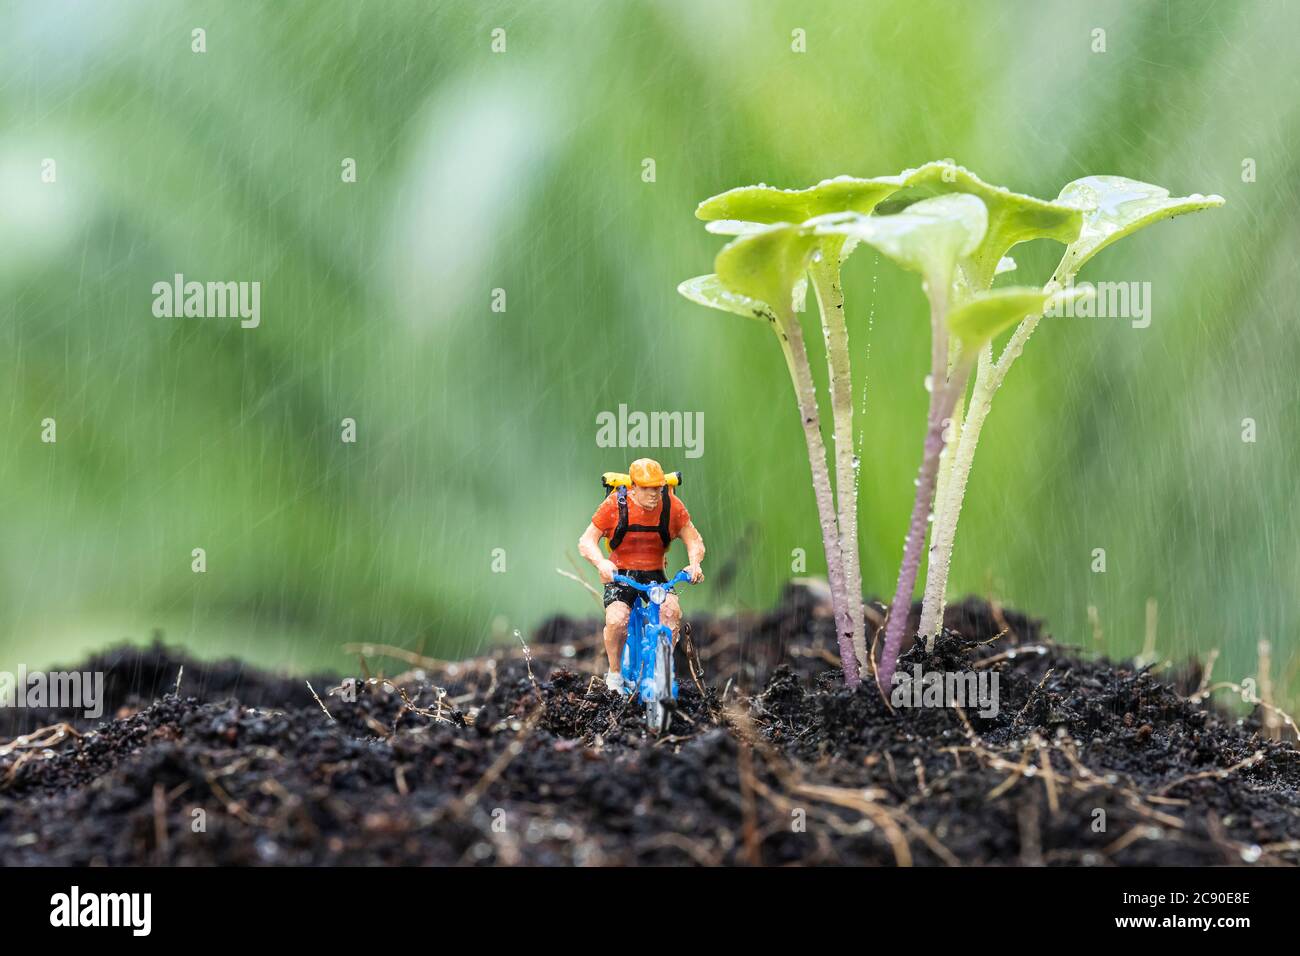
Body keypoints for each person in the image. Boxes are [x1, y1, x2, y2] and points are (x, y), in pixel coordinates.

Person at [577, 457, 705, 693]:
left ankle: (663, 666)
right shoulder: (615, 505)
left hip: (655, 572)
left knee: (671, 611)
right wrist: (601, 563)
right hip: (621, 573)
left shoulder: (671, 506)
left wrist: (694, 564)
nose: (654, 493)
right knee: (616, 620)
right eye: (647, 488)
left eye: (657, 487)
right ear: (633, 486)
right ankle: (614, 675)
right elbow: (586, 541)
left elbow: (694, 539)